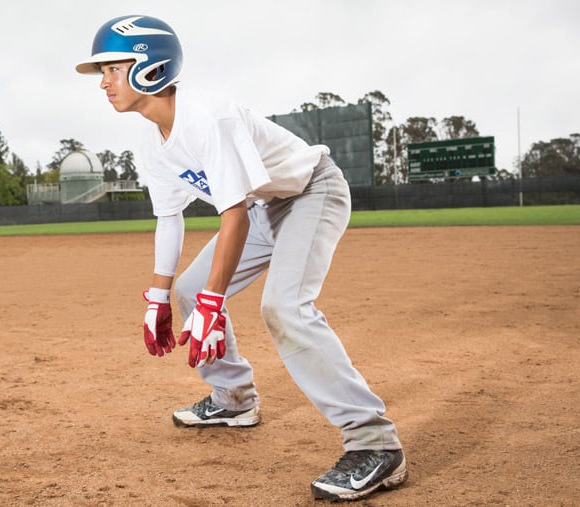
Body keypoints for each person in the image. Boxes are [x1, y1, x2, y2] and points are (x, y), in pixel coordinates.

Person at [76, 14, 407, 502]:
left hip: (310, 191)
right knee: (190, 289)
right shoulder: (151, 140)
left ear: (151, 67)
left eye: (112, 69)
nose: (103, 82)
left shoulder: (207, 116)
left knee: (285, 308)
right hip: (260, 207)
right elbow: (170, 219)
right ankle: (233, 399)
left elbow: (232, 214)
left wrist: (214, 304)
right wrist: (158, 297)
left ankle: (374, 442)